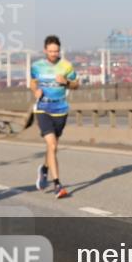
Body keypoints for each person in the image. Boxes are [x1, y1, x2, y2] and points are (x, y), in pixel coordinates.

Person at [29, 35, 79, 198]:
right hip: (43, 109)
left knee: (53, 147)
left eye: (56, 51)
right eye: (50, 51)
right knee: (52, 145)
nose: (53, 54)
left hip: (61, 110)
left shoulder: (66, 66)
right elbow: (32, 82)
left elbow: (76, 84)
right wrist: (35, 91)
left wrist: (66, 81)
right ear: (45, 50)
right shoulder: (37, 66)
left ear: (59, 50)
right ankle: (58, 184)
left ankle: (44, 168)